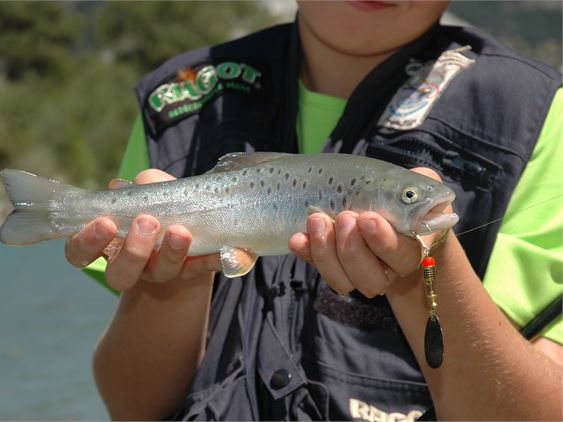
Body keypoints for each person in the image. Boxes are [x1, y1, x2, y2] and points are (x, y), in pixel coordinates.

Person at [66, 1, 563, 420]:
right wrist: (177, 278)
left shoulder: (540, 117)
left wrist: (429, 273)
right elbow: (134, 407)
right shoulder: (177, 102)